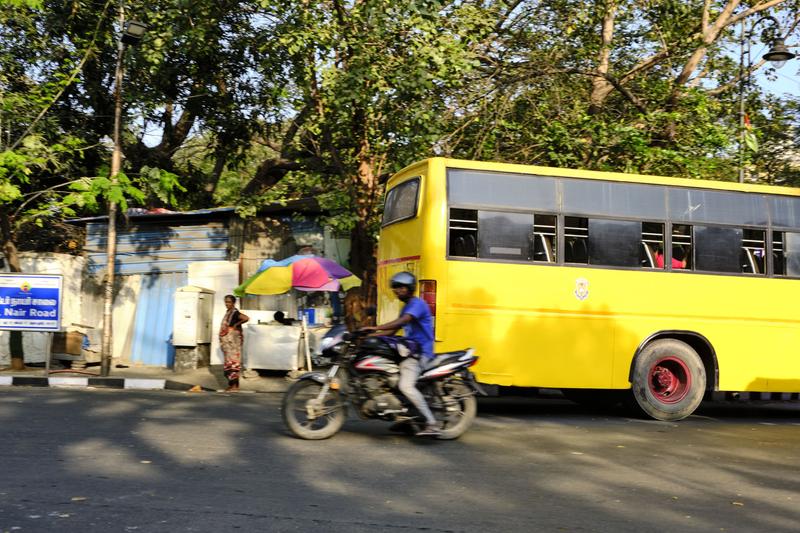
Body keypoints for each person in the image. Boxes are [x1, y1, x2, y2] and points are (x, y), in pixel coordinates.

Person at [360, 271, 439, 437]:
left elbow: (402, 322)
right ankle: (405, 419)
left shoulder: (417, 304)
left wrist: (375, 328)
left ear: (409, 288)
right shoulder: (407, 306)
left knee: (405, 386)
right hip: (409, 352)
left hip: (421, 354)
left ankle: (432, 423)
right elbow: (392, 330)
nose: (396, 290)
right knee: (390, 379)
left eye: (400, 287)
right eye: (395, 287)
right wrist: (365, 336)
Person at [219, 294, 249, 392]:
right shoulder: (228, 312)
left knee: (233, 366)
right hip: (228, 345)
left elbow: (245, 318)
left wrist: (236, 325)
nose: (227, 304)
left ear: (233, 303)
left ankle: (235, 387)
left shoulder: (235, 313)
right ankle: (233, 386)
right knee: (229, 367)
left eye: (229, 302)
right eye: (226, 302)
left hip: (233, 346)